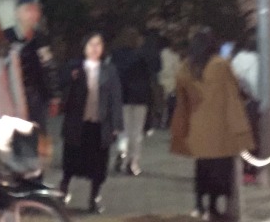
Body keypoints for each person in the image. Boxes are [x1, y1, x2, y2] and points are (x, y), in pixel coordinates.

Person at [170, 27, 254, 220]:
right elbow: (232, 93)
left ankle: (199, 204)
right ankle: (214, 206)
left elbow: (180, 94)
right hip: (220, 126)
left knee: (202, 166)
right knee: (220, 167)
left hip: (197, 124)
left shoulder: (187, 66)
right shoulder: (220, 65)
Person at [60, 32, 123, 214]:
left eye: (98, 45)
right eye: (91, 44)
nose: (95, 48)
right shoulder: (75, 67)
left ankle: (94, 197)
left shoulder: (109, 70)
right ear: (84, 47)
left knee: (98, 164)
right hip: (77, 123)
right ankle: (64, 190)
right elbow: (62, 89)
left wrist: (116, 124)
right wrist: (70, 78)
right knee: (71, 160)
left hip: (99, 124)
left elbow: (115, 97)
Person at [4, 0, 61, 144]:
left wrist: (54, 96)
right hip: (10, 97)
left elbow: (49, 68)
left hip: (36, 98)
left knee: (36, 138)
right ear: (17, 13)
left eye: (36, 10)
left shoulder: (41, 39)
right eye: (28, 10)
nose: (33, 14)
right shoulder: (6, 38)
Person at [110, 26, 153, 176]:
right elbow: (149, 77)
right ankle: (132, 162)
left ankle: (122, 152)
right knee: (136, 131)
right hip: (140, 97)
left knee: (123, 130)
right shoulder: (142, 56)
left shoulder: (116, 55)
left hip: (122, 96)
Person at [230, 39, 260, 184]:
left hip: (240, 103)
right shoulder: (261, 60)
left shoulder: (237, 60)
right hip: (256, 103)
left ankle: (240, 170)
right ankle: (251, 172)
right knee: (255, 138)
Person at [158, 37, 182, 128]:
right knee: (163, 106)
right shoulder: (163, 54)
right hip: (163, 84)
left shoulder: (177, 56)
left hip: (173, 86)